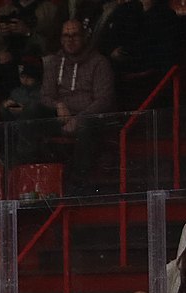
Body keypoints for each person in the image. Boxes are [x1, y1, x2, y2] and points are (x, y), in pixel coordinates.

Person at [38, 20, 115, 192]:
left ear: (84, 37)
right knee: (32, 112)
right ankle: (30, 173)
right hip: (61, 116)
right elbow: (45, 96)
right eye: (66, 35)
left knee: (85, 126)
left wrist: (79, 119)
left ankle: (79, 181)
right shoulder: (54, 63)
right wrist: (58, 105)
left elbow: (103, 100)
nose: (70, 40)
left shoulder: (99, 62)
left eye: (74, 35)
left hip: (90, 120)